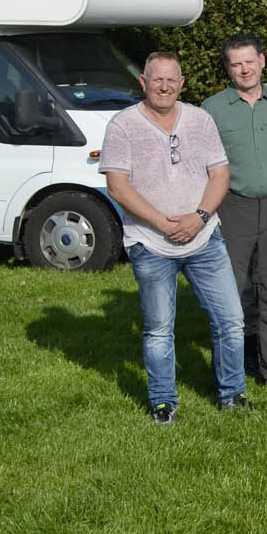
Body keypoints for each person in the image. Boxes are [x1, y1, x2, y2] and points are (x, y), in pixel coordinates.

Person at [100, 52, 249, 421]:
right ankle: (163, 402)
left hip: (205, 238)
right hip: (150, 243)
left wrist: (200, 217)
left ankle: (233, 395)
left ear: (182, 83)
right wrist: (163, 224)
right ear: (143, 83)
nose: (164, 87)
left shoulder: (200, 120)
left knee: (231, 320)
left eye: (171, 80)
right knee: (158, 330)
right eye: (157, 80)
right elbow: (117, 187)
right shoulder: (123, 125)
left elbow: (220, 174)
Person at [202, 34, 267, 391]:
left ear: (263, 62)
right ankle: (228, 372)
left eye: (249, 61)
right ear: (228, 68)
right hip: (231, 208)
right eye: (236, 64)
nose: (244, 69)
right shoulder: (212, 108)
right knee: (229, 297)